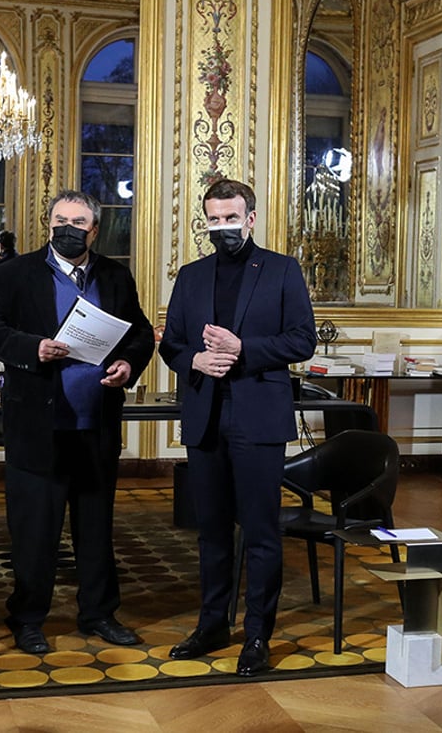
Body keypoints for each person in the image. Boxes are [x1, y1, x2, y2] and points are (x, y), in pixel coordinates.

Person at [0, 191, 155, 655]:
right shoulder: (14, 273)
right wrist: (33, 347)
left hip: (96, 424)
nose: (67, 228)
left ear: (95, 230)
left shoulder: (115, 275)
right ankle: (28, 617)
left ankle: (99, 614)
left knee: (96, 529)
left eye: (79, 221)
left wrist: (129, 366)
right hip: (37, 425)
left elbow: (138, 334)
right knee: (35, 532)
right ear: (48, 224)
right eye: (59, 220)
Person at [159, 178, 316, 677]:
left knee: (261, 532)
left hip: (258, 417)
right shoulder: (190, 275)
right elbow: (172, 344)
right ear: (205, 221)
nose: (222, 227)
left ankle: (256, 636)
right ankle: (211, 626)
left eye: (232, 218)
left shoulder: (282, 270)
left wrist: (243, 348)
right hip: (205, 415)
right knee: (210, 532)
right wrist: (196, 361)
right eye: (214, 218)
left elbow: (302, 340)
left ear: (250, 218)